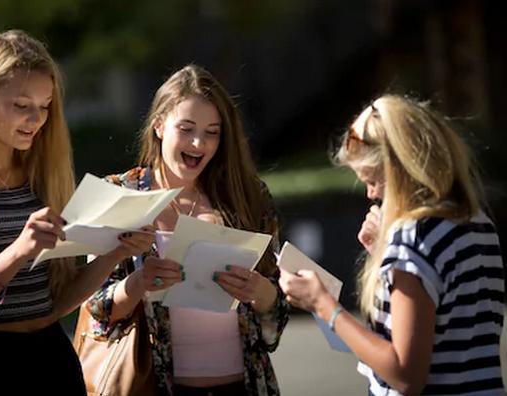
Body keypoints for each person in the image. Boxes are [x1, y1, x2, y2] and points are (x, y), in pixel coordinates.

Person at [0, 30, 153, 396]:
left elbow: (53, 302)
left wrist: (114, 253)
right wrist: (18, 252)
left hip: (55, 362)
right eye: (22, 105)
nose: (36, 119)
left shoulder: (41, 173)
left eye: (45, 106)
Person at [83, 64, 289, 396]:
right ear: (159, 125)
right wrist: (139, 282)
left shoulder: (248, 196)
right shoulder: (120, 195)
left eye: (213, 132)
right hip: (156, 386)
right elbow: (96, 310)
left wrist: (261, 291)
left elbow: (275, 324)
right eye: (187, 128)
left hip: (245, 386)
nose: (199, 143)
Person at [279, 95, 505, 395]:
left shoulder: (412, 237)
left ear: (399, 171)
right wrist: (386, 254)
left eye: (373, 179)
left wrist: (323, 305)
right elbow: (452, 324)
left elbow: (405, 374)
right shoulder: (478, 223)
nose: (371, 194)